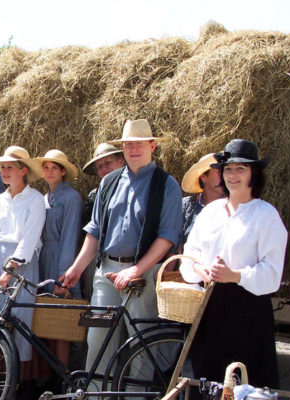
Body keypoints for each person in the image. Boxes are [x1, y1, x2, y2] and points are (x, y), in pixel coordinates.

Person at [59, 119, 182, 376]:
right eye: (127, 144)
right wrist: (77, 268)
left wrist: (137, 269)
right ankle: (95, 393)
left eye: (139, 144)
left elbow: (167, 238)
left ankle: (136, 395)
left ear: (153, 146)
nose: (133, 149)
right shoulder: (109, 183)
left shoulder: (166, 184)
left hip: (145, 275)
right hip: (107, 271)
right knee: (98, 343)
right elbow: (94, 231)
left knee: (142, 344)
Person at [180, 139, 286, 387]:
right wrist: (198, 269)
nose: (233, 174)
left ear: (254, 174)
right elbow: (190, 252)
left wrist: (236, 275)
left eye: (241, 169)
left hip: (247, 314)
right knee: (204, 382)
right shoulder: (211, 212)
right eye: (228, 169)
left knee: (244, 386)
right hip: (208, 311)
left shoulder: (266, 216)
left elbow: (272, 274)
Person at [0, 146, 46, 393]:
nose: (5, 172)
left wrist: (11, 268)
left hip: (23, 265)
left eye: (10, 167)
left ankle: (22, 382)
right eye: (2, 167)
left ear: (23, 170)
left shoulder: (35, 199)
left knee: (20, 319)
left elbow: (29, 238)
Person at [34, 149, 82, 377]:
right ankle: (47, 374)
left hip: (61, 259)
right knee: (44, 321)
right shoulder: (42, 198)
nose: (50, 172)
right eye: (46, 167)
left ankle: (62, 377)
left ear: (63, 172)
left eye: (55, 167)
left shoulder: (71, 198)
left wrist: (63, 275)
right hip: (43, 259)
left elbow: (70, 237)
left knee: (61, 323)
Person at [79, 143, 125, 300]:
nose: (104, 168)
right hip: (100, 259)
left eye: (108, 163)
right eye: (100, 166)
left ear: (121, 162)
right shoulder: (95, 195)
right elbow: (91, 229)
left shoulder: (136, 189)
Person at [178, 153, 224, 250]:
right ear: (203, 177)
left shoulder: (234, 206)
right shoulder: (186, 205)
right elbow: (175, 243)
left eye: (226, 171)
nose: (225, 177)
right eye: (219, 172)